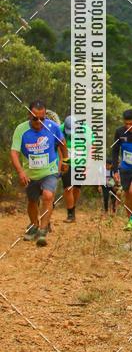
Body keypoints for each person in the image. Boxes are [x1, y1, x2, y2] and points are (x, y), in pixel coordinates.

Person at [10, 100, 67, 247]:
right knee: (32, 201)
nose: (39, 122)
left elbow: (62, 143)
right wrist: (20, 171)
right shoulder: (20, 130)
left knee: (48, 196)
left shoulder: (52, 127)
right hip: (30, 173)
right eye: (36, 118)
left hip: (50, 170)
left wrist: (65, 160)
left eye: (42, 118)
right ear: (29, 115)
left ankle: (42, 230)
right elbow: (14, 152)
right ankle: (34, 225)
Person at [60, 115, 93, 223]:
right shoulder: (60, 129)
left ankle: (73, 208)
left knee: (76, 188)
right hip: (67, 162)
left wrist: (87, 165)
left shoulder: (86, 131)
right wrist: (61, 161)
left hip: (81, 162)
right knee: (68, 188)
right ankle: (70, 214)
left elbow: (92, 148)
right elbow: (57, 145)